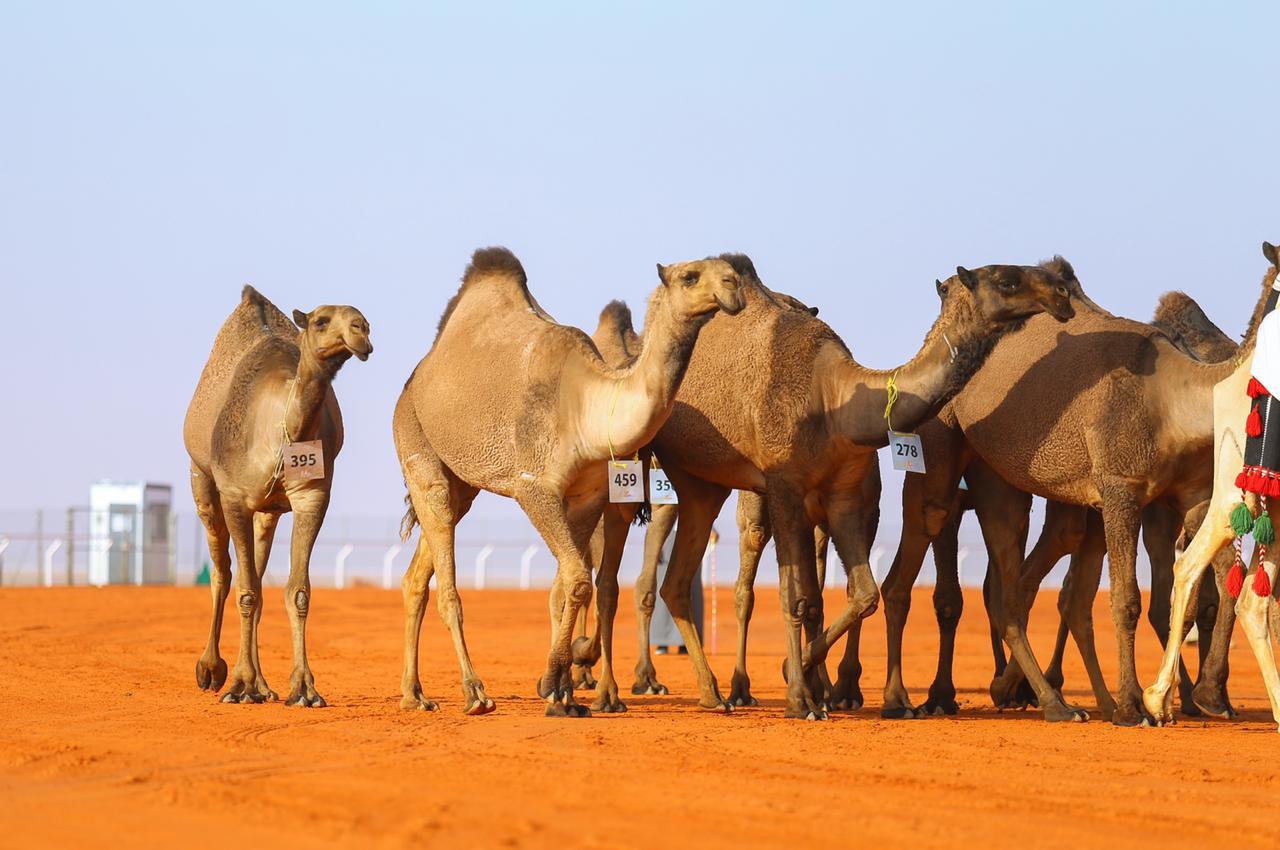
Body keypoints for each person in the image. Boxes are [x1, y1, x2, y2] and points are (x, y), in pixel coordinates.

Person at [649, 524, 712, 654]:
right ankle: (662, 642)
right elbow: (655, 510)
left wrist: (711, 528)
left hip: (692, 533)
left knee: (691, 589)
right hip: (665, 533)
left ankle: (687, 643)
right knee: (663, 588)